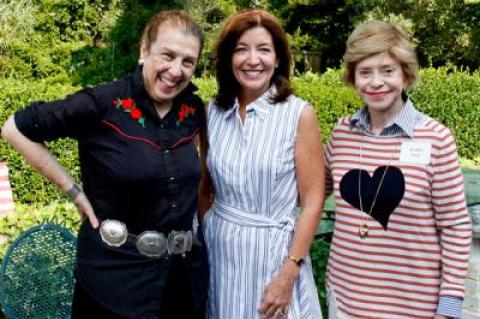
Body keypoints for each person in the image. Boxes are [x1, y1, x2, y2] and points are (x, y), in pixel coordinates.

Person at [1, 10, 208, 319]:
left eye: (188, 61)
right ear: (144, 50)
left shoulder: (194, 110)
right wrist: (73, 191)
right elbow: (14, 128)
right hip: (112, 286)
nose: (176, 70)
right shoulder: (102, 103)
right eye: (168, 55)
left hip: (181, 284)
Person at [324, 20, 472, 319]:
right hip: (345, 302)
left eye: (387, 70)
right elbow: (310, 192)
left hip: (413, 308)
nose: (376, 82)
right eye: (365, 72)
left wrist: (449, 307)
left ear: (405, 74)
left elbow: (455, 227)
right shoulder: (341, 134)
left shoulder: (436, 139)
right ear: (353, 79)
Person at [201, 9, 324, 319]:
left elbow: (312, 201)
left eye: (263, 49)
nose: (252, 60)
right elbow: (204, 189)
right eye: (241, 49)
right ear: (229, 58)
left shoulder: (299, 115)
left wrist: (289, 272)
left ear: (279, 58)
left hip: (274, 258)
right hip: (220, 257)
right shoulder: (212, 113)